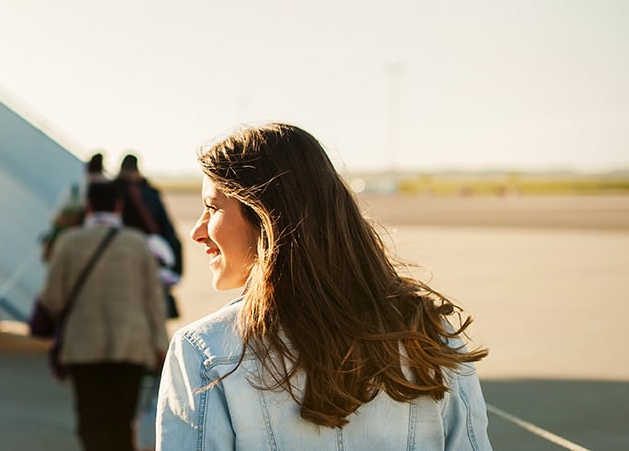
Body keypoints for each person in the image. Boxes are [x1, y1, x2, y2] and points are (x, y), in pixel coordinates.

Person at [156, 122, 492, 450]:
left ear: (266, 216)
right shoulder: (429, 337)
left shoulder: (206, 352)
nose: (197, 232)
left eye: (212, 208)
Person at [39, 180, 168, 451]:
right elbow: (154, 302)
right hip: (131, 345)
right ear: (119, 206)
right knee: (121, 422)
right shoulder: (138, 243)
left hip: (84, 347)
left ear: (88, 206)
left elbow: (53, 298)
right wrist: (160, 345)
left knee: (91, 421)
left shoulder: (70, 243)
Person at [40, 152, 108, 261]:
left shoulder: (73, 191)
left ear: (87, 168)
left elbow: (55, 219)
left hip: (64, 246)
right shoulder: (107, 195)